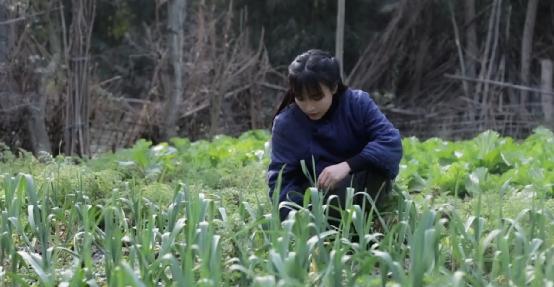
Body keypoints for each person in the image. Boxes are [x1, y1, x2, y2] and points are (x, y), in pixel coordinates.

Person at [267, 49, 403, 224]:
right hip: (316, 203)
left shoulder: (358, 104)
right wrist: (298, 221)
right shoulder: (286, 123)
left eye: (317, 98)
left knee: (374, 173)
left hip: (365, 189)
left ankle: (368, 227)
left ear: (333, 87)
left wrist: (348, 165)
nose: (309, 107)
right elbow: (281, 180)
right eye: (301, 98)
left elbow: (390, 142)